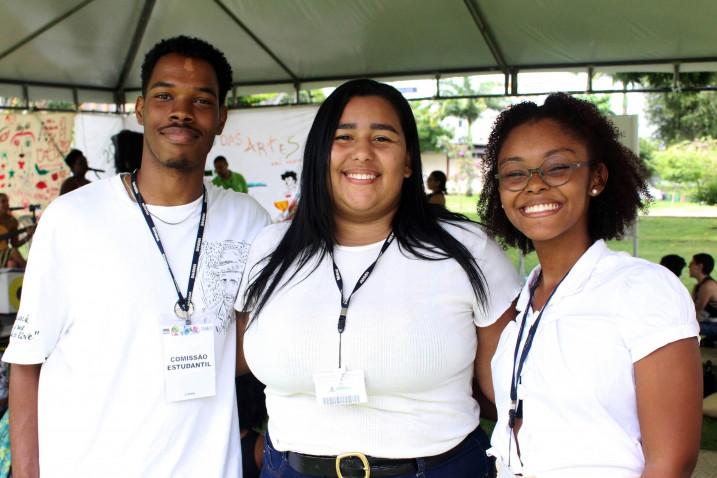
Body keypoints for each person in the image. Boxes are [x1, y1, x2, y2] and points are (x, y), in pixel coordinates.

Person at [3, 35, 270, 477]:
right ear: (141, 108)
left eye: (201, 100)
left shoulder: (249, 223)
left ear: (221, 117)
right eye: (164, 95)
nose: (181, 111)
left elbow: (260, 344)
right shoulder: (72, 219)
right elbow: (27, 363)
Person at [237, 79, 521, 478]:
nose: (362, 153)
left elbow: (508, 394)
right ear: (319, 154)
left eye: (383, 138)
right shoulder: (270, 248)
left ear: (407, 161)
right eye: (344, 136)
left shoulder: (465, 248)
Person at [478, 93, 702, 477]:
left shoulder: (644, 291)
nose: (534, 185)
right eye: (515, 173)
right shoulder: (523, 305)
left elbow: (671, 464)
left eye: (557, 167)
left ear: (595, 178)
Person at [0, 193, 34, 268]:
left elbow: (15, 244)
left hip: (4, 253)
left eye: (7, 201)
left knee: (12, 264)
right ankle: (28, 271)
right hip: (8, 253)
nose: (6, 204)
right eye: (3, 201)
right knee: (13, 251)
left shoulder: (12, 221)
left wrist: (28, 236)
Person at [689, 253, 717, 319]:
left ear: (700, 266)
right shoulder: (698, 286)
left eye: (692, 264)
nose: (689, 266)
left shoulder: (708, 286)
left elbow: (696, 310)